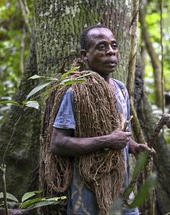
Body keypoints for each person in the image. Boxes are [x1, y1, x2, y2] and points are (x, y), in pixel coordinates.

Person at [48, 24, 154, 215]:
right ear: (84, 54)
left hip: (122, 191)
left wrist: (134, 147)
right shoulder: (75, 92)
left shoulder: (121, 89)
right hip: (87, 196)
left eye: (114, 46)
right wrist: (108, 141)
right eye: (101, 47)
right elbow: (58, 143)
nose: (111, 52)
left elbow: (121, 134)